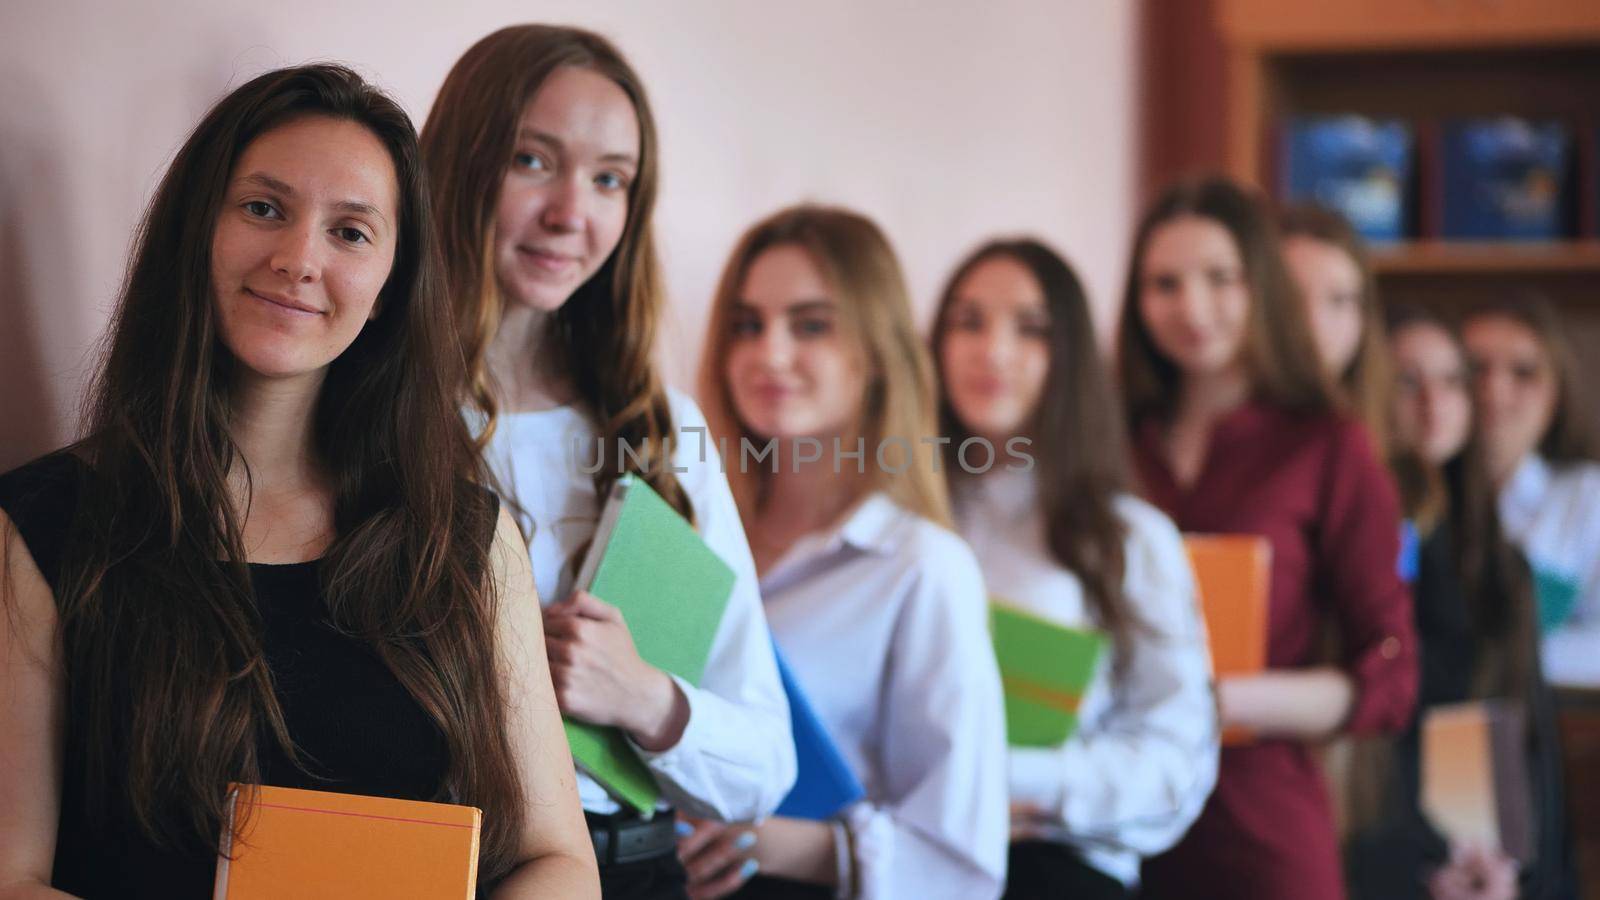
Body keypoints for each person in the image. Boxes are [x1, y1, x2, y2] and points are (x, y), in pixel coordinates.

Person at [0, 64, 597, 898]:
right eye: (263, 209)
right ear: (196, 230)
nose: (297, 259)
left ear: (391, 286)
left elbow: (560, 863)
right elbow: (11, 875)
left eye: (351, 232)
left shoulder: (464, 537)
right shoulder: (42, 526)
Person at [420, 25, 795, 899]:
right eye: (531, 160)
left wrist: (644, 697)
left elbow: (764, 763)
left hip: (631, 870)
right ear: (459, 163)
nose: (571, 214)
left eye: (608, 180)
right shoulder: (376, 415)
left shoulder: (663, 432)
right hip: (436, 865)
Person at [682, 204, 1009, 899]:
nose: (769, 354)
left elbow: (966, 862)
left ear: (876, 351)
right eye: (747, 325)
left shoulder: (922, 567)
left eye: (811, 325)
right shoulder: (686, 531)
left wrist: (786, 844)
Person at [1122, 176, 1418, 900]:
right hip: (1113, 814)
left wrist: (1224, 701)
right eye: (1165, 283)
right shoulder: (1114, 441)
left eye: (1220, 278)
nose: (1192, 307)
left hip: (1257, 819)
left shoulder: (1327, 445)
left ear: (1262, 287)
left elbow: (1390, 672)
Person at [931, 238, 1218, 899]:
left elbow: (1176, 759)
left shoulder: (1128, 539)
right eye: (968, 322)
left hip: (1055, 861)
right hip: (907, 858)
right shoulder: (904, 518)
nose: (992, 351)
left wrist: (1022, 781)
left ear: (1071, 358)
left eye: (1029, 329)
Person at [1344, 305, 1571, 900]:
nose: (1434, 403)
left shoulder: (1496, 553)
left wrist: (1509, 868)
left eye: (1452, 381)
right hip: (1384, 842)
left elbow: (1522, 724)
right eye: (1407, 380)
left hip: (1486, 848)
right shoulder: (1359, 534)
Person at [1462, 295, 1600, 689]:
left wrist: (1496, 660)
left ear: (1556, 394)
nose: (1493, 391)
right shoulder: (1402, 496)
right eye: (1475, 369)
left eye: (1523, 372)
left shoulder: (1586, 499)